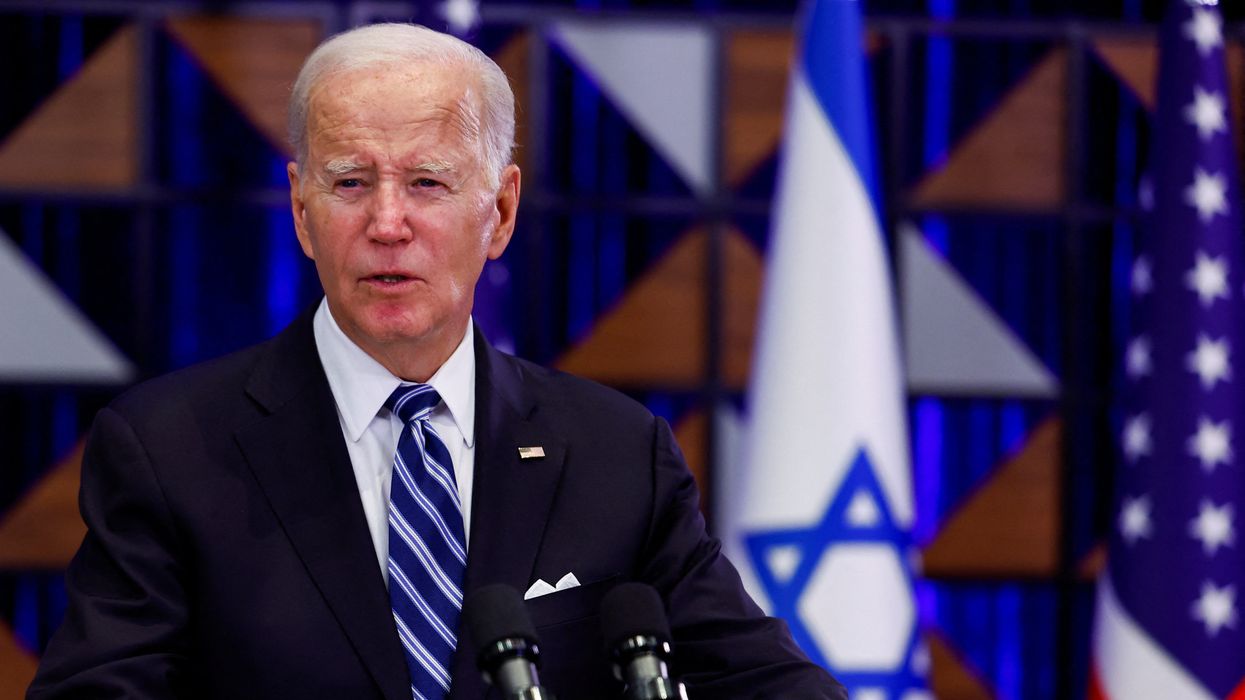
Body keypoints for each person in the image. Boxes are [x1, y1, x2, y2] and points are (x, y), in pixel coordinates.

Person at [28, 23, 845, 700]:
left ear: (500, 213)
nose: (388, 223)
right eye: (350, 183)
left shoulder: (616, 456)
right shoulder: (169, 450)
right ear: (301, 211)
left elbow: (769, 687)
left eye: (426, 182)